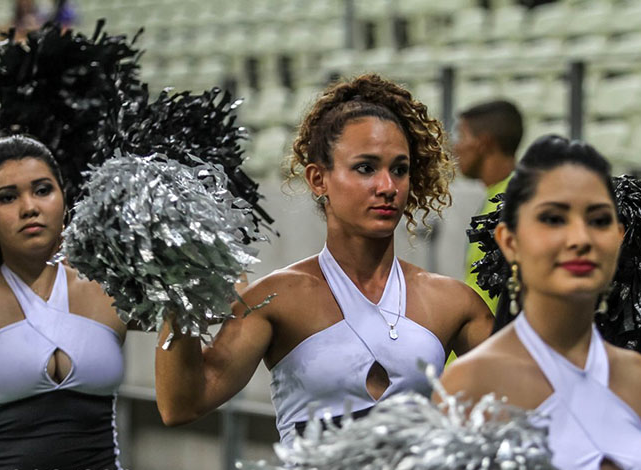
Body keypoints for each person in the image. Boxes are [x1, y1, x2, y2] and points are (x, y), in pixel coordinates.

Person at [155, 74, 494, 445]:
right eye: (365, 167)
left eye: (400, 169)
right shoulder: (275, 300)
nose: (387, 187)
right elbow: (181, 406)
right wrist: (179, 294)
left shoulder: (453, 302)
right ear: (319, 179)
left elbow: (526, 401)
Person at [437, 134, 641, 470]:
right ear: (509, 242)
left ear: (618, 239)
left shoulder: (639, 379)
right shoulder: (470, 384)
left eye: (598, 220)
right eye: (553, 219)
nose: (579, 239)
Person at [0, 135, 141, 470]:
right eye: (7, 197)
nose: (29, 207)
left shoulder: (107, 284)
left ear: (64, 198)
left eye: (43, 190)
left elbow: (221, 306)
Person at [453, 99, 523, 313]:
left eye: (462, 136)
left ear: (483, 143)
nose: (456, 146)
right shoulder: (503, 194)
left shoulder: (510, 203)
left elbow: (487, 300)